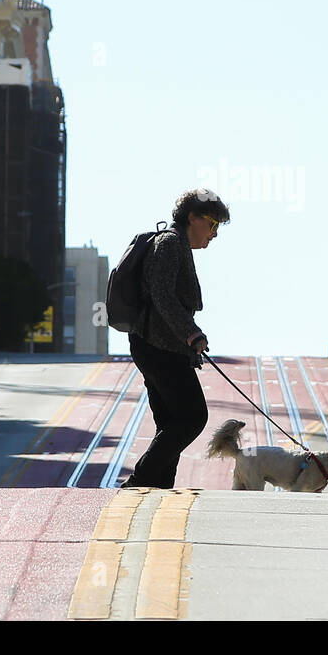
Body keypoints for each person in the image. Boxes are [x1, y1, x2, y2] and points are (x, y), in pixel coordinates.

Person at [119, 189, 231, 489]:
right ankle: (140, 479)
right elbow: (162, 295)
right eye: (212, 224)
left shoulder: (177, 245)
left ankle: (158, 486)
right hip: (159, 347)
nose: (214, 234)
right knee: (193, 417)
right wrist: (192, 334)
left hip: (158, 346)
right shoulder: (169, 243)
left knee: (170, 422)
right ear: (192, 217)